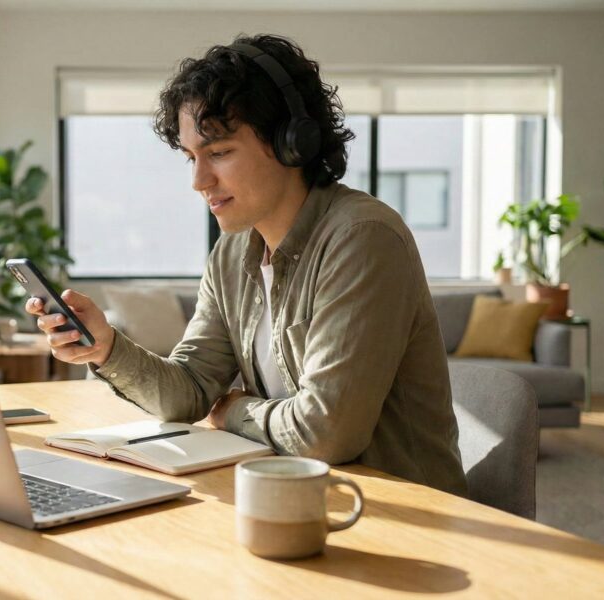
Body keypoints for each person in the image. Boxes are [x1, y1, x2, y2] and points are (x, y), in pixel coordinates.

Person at [27, 34, 467, 495]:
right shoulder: (233, 252)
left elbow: (325, 433)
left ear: (291, 142)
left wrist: (232, 409)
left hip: (397, 510)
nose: (199, 180)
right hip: (295, 497)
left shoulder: (363, 238)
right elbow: (191, 391)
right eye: (191, 157)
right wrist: (105, 348)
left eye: (218, 153)